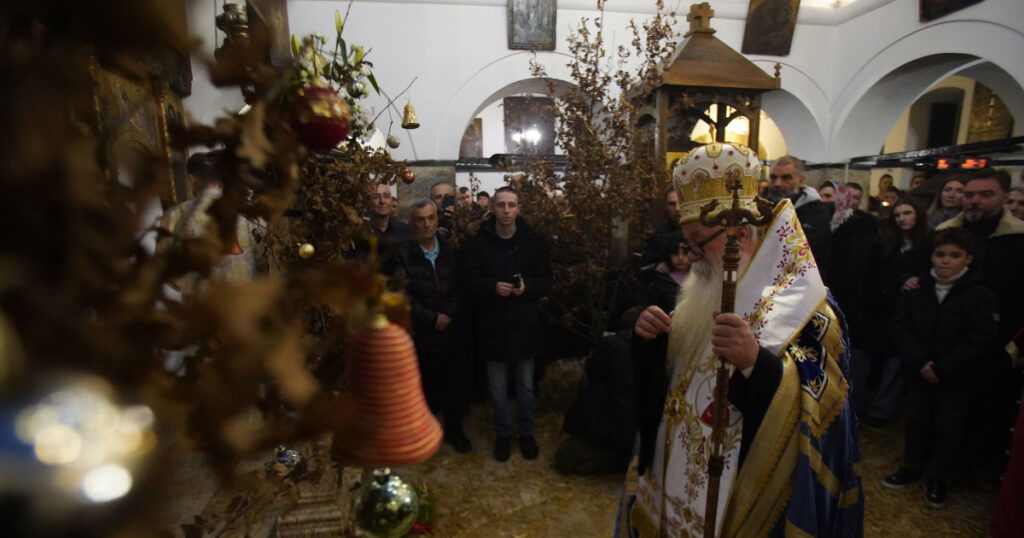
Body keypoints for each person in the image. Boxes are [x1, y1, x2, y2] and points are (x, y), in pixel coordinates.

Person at [620, 142, 862, 537]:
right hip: (678, 471)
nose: (692, 255)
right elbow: (681, 377)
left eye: (699, 241)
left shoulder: (807, 305)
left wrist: (756, 364)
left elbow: (825, 410)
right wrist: (651, 341)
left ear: (740, 233)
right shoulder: (707, 288)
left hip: (742, 492)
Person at [883, 228, 997, 508]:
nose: (946, 261)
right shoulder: (917, 288)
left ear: (968, 259)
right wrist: (920, 361)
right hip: (919, 369)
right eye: (940, 254)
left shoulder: (979, 294)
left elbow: (979, 338)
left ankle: (938, 476)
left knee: (948, 426)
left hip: (956, 375)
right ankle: (912, 466)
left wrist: (943, 367)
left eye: (955, 256)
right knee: (916, 420)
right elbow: (900, 328)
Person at [936, 168, 1024, 467]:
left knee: (988, 407)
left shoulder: (1017, 239)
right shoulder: (946, 232)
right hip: (948, 336)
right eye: (969, 194)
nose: (975, 201)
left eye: (986, 195)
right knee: (943, 410)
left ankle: (977, 463)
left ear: (1003, 197)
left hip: (998, 340)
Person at [462, 187, 552, 462]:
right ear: (493, 209)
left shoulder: (534, 243)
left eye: (511, 205)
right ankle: (503, 435)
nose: (505, 210)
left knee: (525, 387)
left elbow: (546, 280)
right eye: (500, 205)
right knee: (498, 389)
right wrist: (492, 287)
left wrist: (527, 287)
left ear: (519, 209)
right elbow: (467, 281)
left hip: (524, 326)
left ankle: (526, 434)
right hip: (492, 326)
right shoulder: (478, 244)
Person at [383, 199, 471, 453]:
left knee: (454, 385)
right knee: (426, 388)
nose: (426, 224)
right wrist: (432, 318)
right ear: (411, 224)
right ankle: (427, 435)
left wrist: (448, 314)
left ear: (437, 220)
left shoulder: (450, 249)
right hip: (420, 333)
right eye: (420, 219)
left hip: (451, 330)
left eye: (431, 218)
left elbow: (460, 286)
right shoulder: (402, 254)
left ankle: (455, 431)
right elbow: (400, 295)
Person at [863, 197, 931, 426]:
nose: (903, 219)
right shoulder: (886, 244)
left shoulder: (927, 244)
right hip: (885, 308)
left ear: (918, 215)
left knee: (896, 362)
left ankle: (882, 410)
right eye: (898, 215)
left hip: (911, 312)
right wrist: (899, 280)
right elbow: (877, 273)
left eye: (907, 213)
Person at [159, 152, 262, 295]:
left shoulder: (175, 215)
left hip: (203, 306)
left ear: (192, 179)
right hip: (244, 301)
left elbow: (164, 266)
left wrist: (191, 288)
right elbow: (263, 255)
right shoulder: (247, 210)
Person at [555, 308, 640, 476]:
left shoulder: (613, 344)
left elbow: (591, 371)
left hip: (616, 427)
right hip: (641, 428)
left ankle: (620, 460)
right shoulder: (658, 348)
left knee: (565, 458)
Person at [824, 183, 882, 417]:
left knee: (850, 373)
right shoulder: (827, 230)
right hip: (838, 313)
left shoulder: (859, 235)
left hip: (852, 318)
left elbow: (853, 280)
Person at [765, 155, 832, 276]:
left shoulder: (817, 212)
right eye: (773, 177)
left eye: (786, 178)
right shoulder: (763, 207)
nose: (778, 183)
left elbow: (802, 248)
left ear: (800, 181)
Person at [353, 183, 412, 266]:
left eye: (386, 196)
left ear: (391, 201)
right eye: (375, 197)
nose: (382, 201)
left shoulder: (405, 231)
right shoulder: (359, 233)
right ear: (368, 202)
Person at [641, 232, 692, 315]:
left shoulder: (700, 277)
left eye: (685, 253)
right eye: (675, 254)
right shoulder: (662, 277)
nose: (680, 258)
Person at [639, 189, 682, 268]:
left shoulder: (698, 232)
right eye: (672, 204)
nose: (677, 209)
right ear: (666, 207)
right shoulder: (657, 234)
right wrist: (656, 267)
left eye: (681, 202)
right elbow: (643, 266)